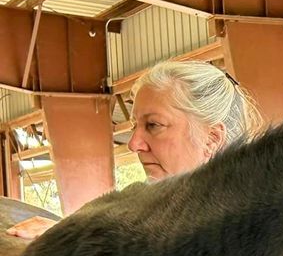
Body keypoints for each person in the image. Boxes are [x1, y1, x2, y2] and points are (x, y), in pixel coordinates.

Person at [6, 61, 260, 239]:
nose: (134, 143)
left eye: (154, 125)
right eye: (135, 126)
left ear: (212, 139)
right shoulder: (144, 208)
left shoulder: (256, 225)